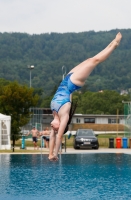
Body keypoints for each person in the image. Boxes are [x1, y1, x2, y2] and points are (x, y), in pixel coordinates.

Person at [49, 32, 122, 161]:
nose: (51, 128)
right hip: (73, 82)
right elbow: (58, 137)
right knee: (94, 61)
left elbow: (52, 136)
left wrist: (49, 154)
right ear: (60, 126)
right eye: (55, 129)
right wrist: (55, 154)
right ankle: (114, 44)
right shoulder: (63, 116)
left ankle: (111, 43)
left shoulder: (54, 112)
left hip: (67, 79)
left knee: (90, 59)